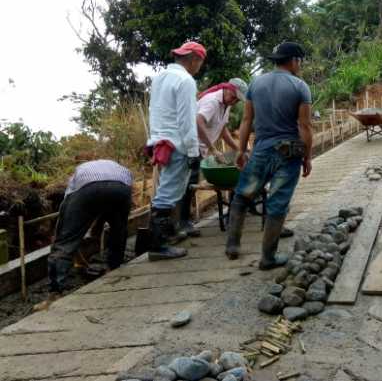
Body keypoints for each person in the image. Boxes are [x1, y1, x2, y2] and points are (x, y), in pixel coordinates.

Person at [225, 41, 313, 270]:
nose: (300, 65)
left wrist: (242, 151)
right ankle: (268, 258)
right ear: (294, 60)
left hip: (262, 150)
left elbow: (246, 121)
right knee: (277, 203)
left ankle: (232, 246)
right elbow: (305, 127)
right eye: (299, 61)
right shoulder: (300, 86)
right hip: (289, 152)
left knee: (242, 196)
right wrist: (307, 156)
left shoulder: (256, 83)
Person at [38, 159, 133, 309]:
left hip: (88, 187)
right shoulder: (118, 168)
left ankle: (54, 295)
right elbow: (106, 207)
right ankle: (113, 270)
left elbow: (67, 214)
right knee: (118, 231)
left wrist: (63, 235)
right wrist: (96, 230)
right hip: (122, 187)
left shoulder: (77, 176)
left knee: (64, 242)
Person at [146, 41, 205, 261]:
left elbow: (156, 111)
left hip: (161, 142)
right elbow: (187, 120)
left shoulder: (160, 78)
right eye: (200, 63)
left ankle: (166, 237)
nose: (199, 67)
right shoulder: (186, 80)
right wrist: (192, 151)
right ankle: (158, 246)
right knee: (168, 193)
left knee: (167, 189)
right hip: (178, 143)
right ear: (193, 59)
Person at [177, 77, 248, 236]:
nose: (235, 100)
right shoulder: (212, 102)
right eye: (234, 96)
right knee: (188, 186)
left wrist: (238, 149)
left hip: (199, 149)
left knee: (190, 185)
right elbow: (198, 122)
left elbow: (222, 130)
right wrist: (213, 149)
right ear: (228, 89)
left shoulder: (226, 105)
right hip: (190, 148)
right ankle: (182, 223)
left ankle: (184, 222)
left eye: (238, 99)